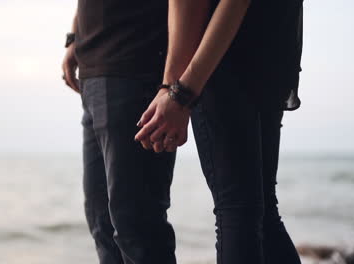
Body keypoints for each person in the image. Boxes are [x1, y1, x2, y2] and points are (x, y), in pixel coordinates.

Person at [135, 0, 304, 263]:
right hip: (272, 48)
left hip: (220, 58)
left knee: (238, 209)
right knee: (260, 212)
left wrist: (178, 90)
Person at [61, 1, 177, 264]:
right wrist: (74, 37)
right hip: (92, 72)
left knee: (136, 224)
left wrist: (172, 85)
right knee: (101, 220)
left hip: (135, 65)